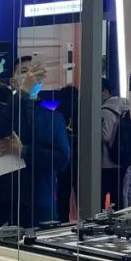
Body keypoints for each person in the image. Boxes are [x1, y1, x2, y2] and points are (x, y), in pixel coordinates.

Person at [0, 57, 71, 227]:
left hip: (41, 199)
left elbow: (62, 159)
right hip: (6, 200)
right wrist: (22, 93)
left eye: (34, 73)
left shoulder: (53, 118)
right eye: (24, 72)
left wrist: (23, 151)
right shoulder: (0, 111)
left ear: (41, 80)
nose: (29, 77)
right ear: (13, 80)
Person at [100, 78, 128, 210]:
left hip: (107, 161)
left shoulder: (106, 111)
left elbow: (105, 135)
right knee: (117, 197)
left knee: (101, 196)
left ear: (105, 92)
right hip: (120, 158)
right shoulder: (123, 107)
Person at [55, 85, 79, 223]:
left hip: (64, 158)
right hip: (80, 158)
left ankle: (63, 221)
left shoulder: (59, 112)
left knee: (63, 193)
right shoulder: (83, 110)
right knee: (81, 192)